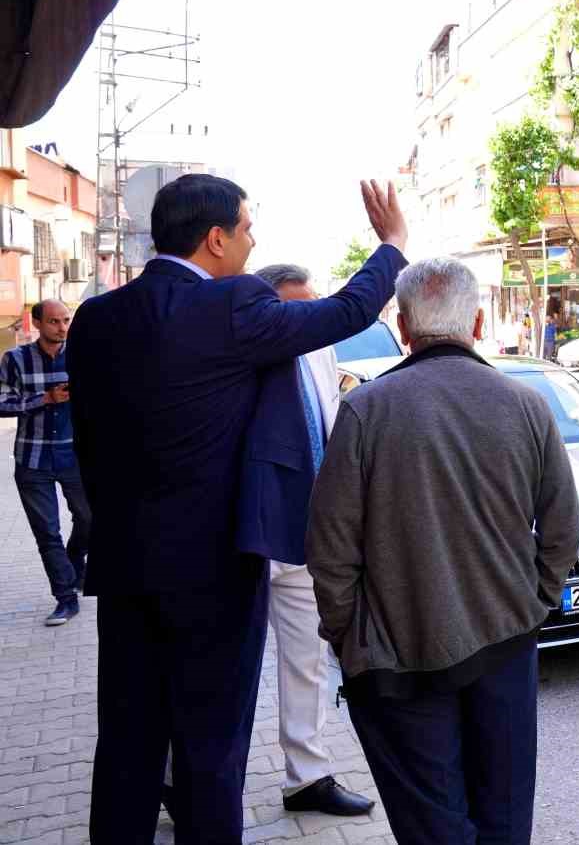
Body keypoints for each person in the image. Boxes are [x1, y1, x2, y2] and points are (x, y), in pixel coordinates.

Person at [67, 175, 408, 844]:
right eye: (248, 228)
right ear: (215, 238)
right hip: (213, 575)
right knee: (210, 749)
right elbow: (346, 311)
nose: (254, 242)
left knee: (129, 743)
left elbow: (89, 442)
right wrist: (391, 245)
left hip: (127, 567)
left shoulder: (97, 318)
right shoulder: (231, 306)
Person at [307, 256, 579, 845]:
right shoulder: (527, 405)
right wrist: (534, 603)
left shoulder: (365, 410)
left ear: (403, 327)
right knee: (504, 819)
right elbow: (562, 529)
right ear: (479, 323)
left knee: (434, 828)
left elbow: (329, 551)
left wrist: (353, 642)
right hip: (504, 646)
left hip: (395, 661)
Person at [242, 264, 376, 818]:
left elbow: (328, 426)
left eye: (311, 306)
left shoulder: (320, 351)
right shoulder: (239, 353)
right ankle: (187, 777)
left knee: (307, 663)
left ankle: (308, 778)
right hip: (244, 539)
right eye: (294, 309)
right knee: (223, 668)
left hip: (306, 535)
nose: (306, 318)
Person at [0, 299, 91, 626]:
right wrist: (45, 398)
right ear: (36, 323)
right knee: (46, 532)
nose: (62, 327)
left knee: (91, 521)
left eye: (66, 320)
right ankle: (65, 598)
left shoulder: (82, 355)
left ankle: (74, 559)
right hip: (32, 459)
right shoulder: (15, 359)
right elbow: (1, 402)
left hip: (76, 457)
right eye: (54, 321)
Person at [543, 294, 562, 360]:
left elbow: (555, 331)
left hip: (550, 340)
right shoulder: (544, 325)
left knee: (548, 356)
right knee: (544, 356)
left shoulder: (552, 324)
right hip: (545, 340)